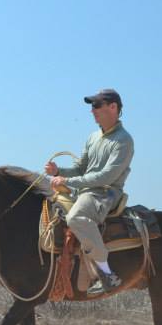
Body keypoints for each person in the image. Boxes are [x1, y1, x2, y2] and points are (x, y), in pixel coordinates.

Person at [45, 88, 134, 295]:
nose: (92, 111)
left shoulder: (124, 140)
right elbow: (82, 169)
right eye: (92, 107)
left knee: (76, 217)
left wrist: (67, 180)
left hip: (105, 193)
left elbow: (106, 177)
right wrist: (59, 171)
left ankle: (106, 273)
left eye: (96, 106)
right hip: (85, 190)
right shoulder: (93, 137)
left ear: (113, 107)